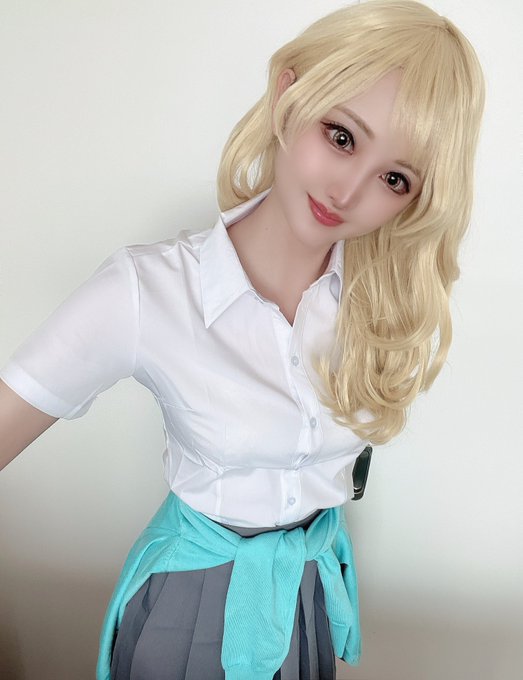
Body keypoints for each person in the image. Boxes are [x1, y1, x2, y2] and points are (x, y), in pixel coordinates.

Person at [0, 1, 484, 678]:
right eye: (341, 137)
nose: (348, 191)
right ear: (289, 94)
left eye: (394, 178)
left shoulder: (377, 305)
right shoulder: (147, 290)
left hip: (307, 597)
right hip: (189, 605)